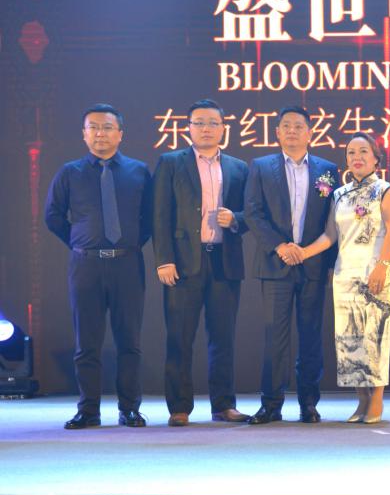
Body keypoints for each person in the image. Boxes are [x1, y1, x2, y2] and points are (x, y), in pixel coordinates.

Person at [45, 104, 153, 429]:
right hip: (86, 266)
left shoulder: (138, 171)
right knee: (87, 344)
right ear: (84, 134)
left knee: (129, 343)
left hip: (127, 264)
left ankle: (129, 409)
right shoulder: (69, 173)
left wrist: (129, 245)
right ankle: (88, 410)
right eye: (93, 127)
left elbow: (149, 218)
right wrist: (80, 243)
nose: (100, 133)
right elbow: (53, 216)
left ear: (120, 134)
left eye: (107, 127)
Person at [152, 99, 251, 426]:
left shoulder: (238, 167)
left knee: (223, 338)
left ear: (223, 128)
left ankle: (223, 404)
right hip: (183, 263)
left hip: (224, 262)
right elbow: (160, 214)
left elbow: (251, 214)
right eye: (199, 123)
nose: (206, 128)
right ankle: (179, 407)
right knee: (179, 337)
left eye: (212, 123)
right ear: (188, 128)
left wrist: (235, 219)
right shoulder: (171, 162)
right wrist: (164, 259)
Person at [243, 106, 339, 424]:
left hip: (313, 266)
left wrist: (321, 259)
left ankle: (308, 403)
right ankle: (271, 404)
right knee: (275, 337)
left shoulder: (326, 170)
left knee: (310, 336)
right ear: (277, 132)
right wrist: (280, 246)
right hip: (276, 264)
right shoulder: (261, 166)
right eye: (286, 126)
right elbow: (253, 212)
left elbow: (332, 220)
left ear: (310, 132)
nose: (293, 131)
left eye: (299, 126)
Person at [299, 133, 390, 423]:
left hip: (376, 272)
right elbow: (330, 235)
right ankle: (361, 400)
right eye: (351, 152)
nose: (357, 157)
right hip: (345, 274)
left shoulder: (385, 190)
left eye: (363, 151)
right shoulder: (339, 194)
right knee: (350, 339)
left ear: (376, 158)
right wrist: (303, 253)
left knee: (375, 337)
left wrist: (382, 265)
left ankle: (377, 400)